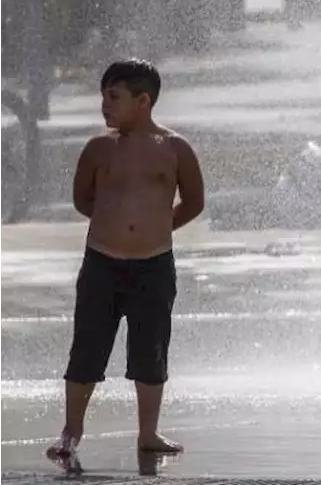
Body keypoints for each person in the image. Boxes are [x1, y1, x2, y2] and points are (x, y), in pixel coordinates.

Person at [48, 59, 205, 462]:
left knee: (150, 350)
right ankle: (71, 431)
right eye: (103, 97)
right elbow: (83, 197)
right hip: (102, 261)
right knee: (87, 347)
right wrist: (111, 222)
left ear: (143, 101)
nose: (105, 105)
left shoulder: (175, 148)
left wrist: (159, 226)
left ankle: (148, 433)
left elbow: (195, 200)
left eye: (114, 98)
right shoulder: (99, 148)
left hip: (153, 264)